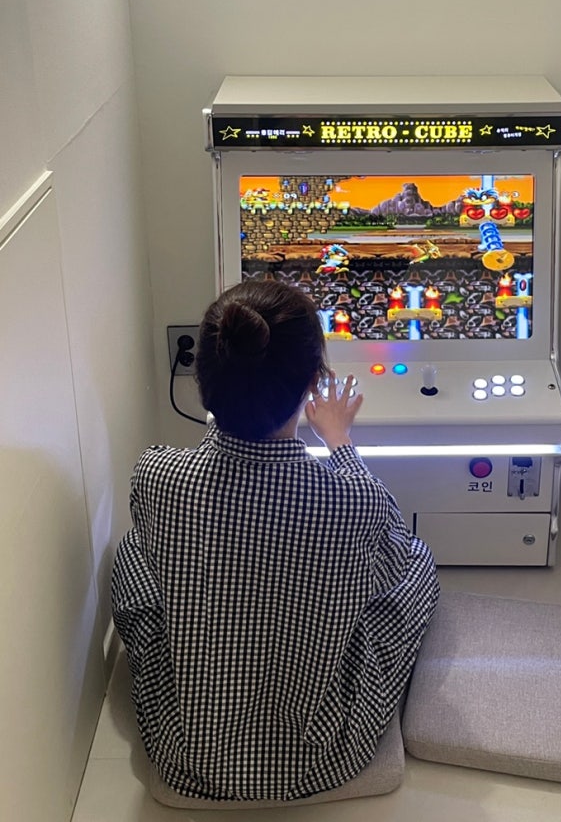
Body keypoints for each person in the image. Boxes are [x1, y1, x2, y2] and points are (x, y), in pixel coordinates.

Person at [112, 278, 439, 802]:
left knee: (132, 550)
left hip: (187, 752)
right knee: (414, 559)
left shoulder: (156, 474)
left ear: (203, 380)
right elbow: (389, 557)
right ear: (313, 382)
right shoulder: (355, 498)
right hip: (325, 757)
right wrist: (339, 441)